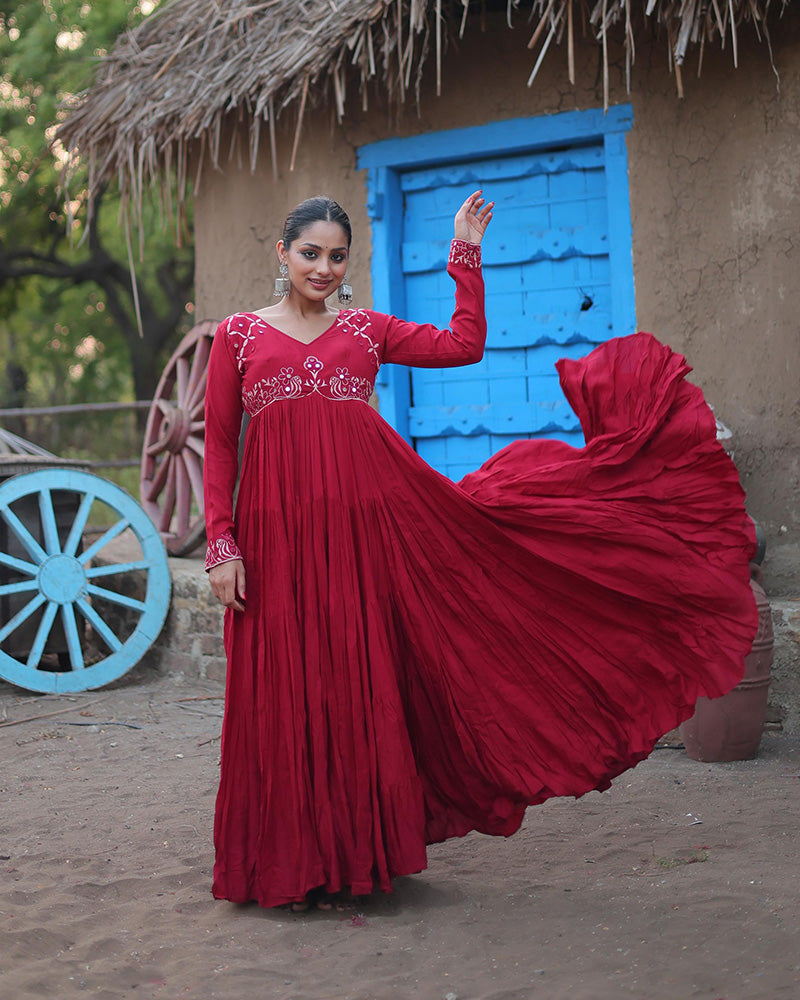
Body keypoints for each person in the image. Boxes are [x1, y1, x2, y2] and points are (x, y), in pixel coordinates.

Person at [203, 191, 756, 911]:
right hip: (274, 540)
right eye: (310, 254)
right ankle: (287, 863)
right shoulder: (239, 335)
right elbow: (219, 445)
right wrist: (221, 544)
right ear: (282, 255)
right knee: (286, 687)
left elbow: (463, 345)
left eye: (338, 257)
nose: (324, 268)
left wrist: (465, 250)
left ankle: (354, 858)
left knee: (355, 680)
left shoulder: (367, 330)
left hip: (365, 535)